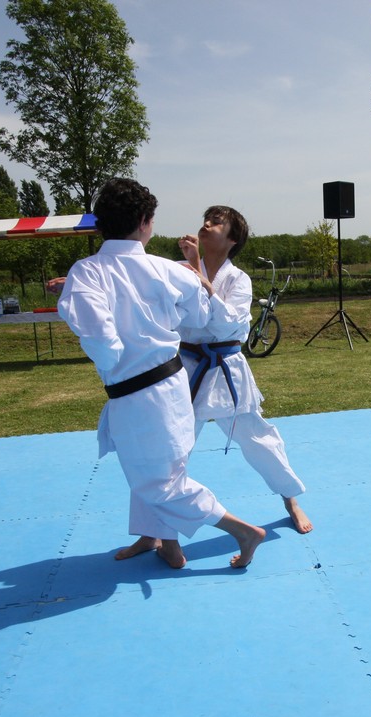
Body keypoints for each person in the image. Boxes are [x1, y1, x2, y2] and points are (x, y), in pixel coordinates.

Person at [56, 177, 266, 570]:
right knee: (150, 471)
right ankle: (161, 541)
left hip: (137, 390)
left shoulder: (86, 273)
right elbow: (199, 315)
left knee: (159, 482)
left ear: (101, 224)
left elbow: (102, 339)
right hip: (169, 385)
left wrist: (112, 356)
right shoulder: (168, 271)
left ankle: (242, 530)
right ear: (145, 222)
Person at [177, 205, 313, 534]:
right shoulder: (179, 270)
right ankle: (154, 530)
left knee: (258, 440)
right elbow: (138, 284)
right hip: (187, 369)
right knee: (170, 449)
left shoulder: (238, 279)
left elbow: (227, 325)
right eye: (206, 220)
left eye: (216, 222)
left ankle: (290, 499)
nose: (206, 225)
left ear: (233, 238)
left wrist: (200, 277)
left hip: (225, 369)